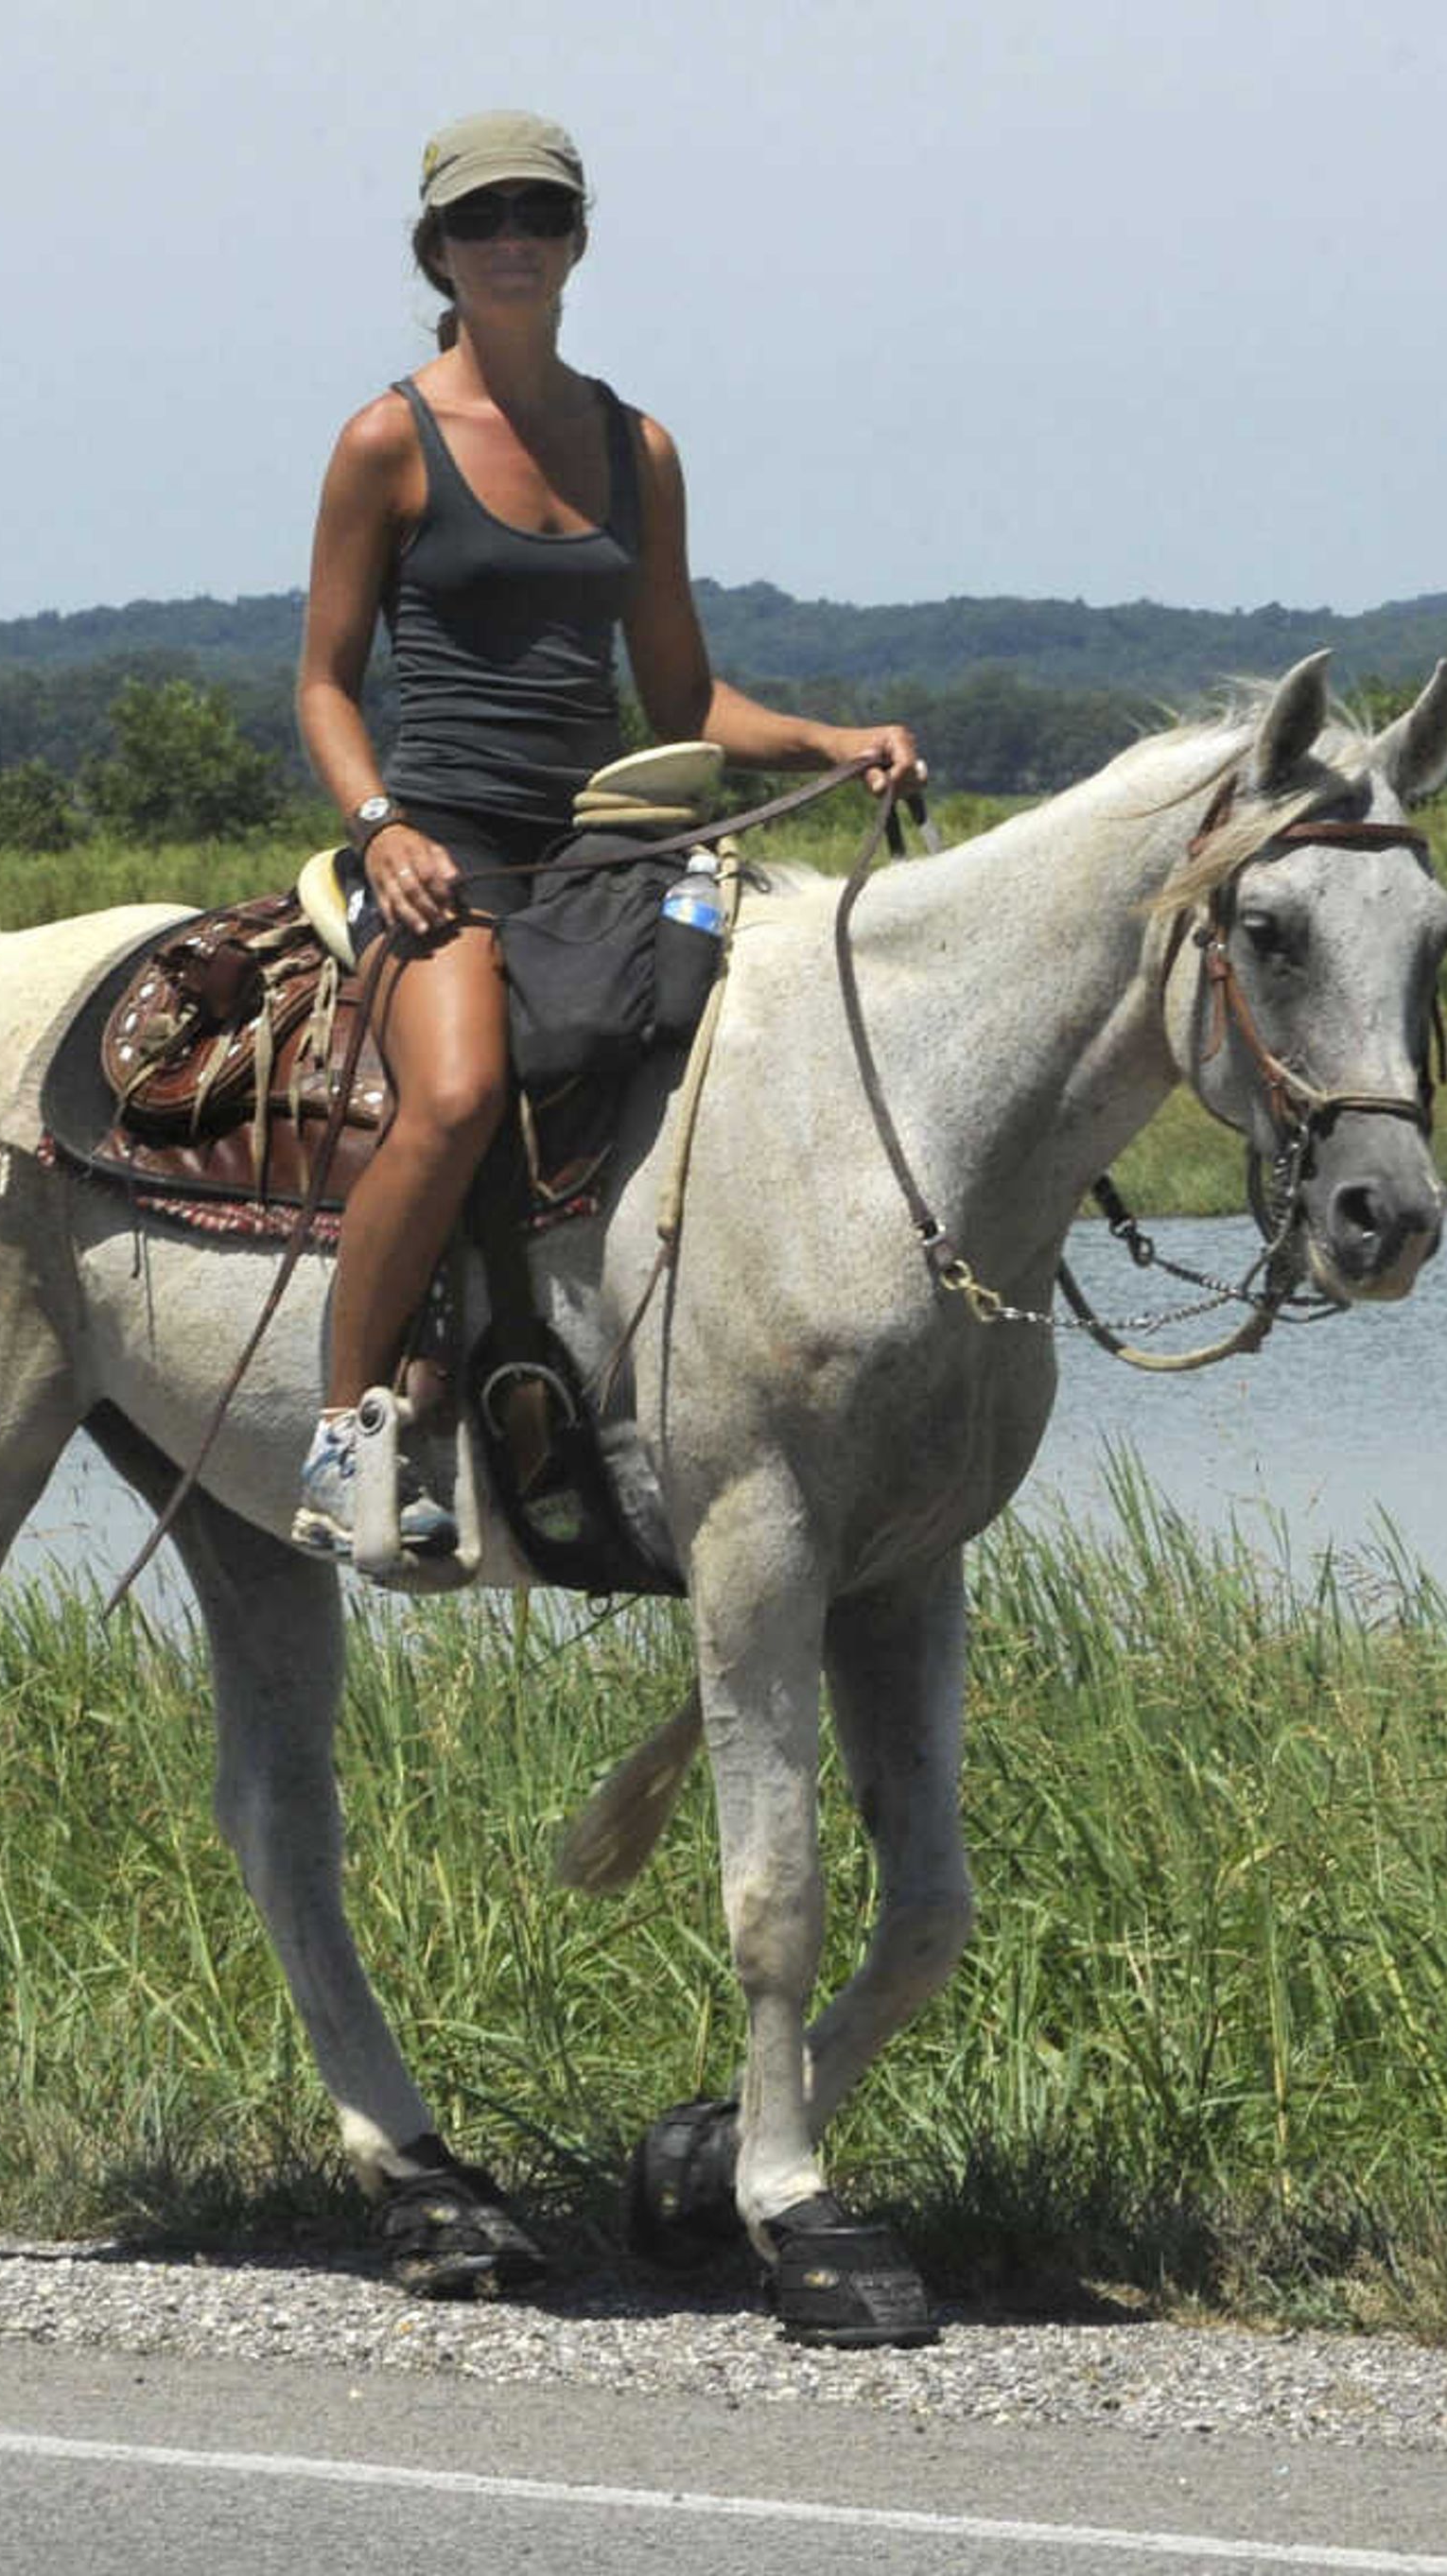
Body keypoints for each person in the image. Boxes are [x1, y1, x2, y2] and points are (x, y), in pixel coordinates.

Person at [288, 108, 923, 1559]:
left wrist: (835, 740)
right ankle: (350, 1435)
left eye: (540, 215)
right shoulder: (386, 439)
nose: (512, 240)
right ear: (437, 250)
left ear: (578, 241)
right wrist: (380, 826)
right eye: (481, 219)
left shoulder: (636, 446)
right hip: (439, 844)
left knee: (736, 1034)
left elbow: (685, 692)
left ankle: (639, 1384)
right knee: (453, 1095)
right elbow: (324, 683)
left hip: (602, 842)